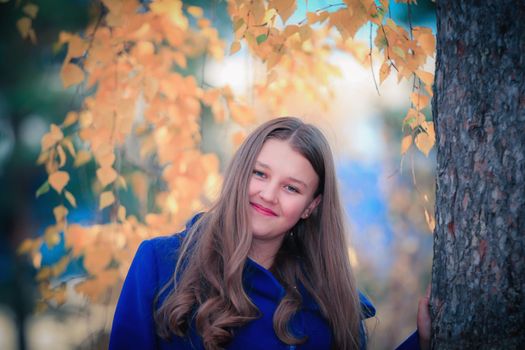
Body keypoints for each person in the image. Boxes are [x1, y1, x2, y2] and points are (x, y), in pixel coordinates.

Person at [109, 117, 430, 349]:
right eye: (260, 174)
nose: (268, 194)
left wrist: (424, 341)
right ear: (240, 173)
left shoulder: (329, 299)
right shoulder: (161, 263)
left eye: (291, 187)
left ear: (311, 206)